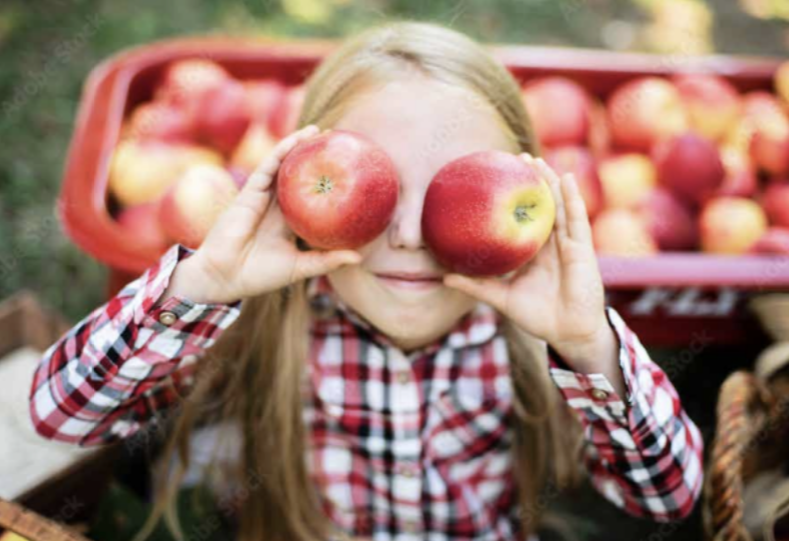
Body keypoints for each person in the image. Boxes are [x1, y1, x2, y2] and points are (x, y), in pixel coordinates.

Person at [30, 21, 703, 541]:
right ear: (298, 185)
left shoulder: (531, 345)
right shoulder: (265, 326)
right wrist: (203, 283)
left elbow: (668, 495)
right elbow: (61, 413)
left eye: (448, 193)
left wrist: (589, 346)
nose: (408, 233)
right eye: (377, 192)